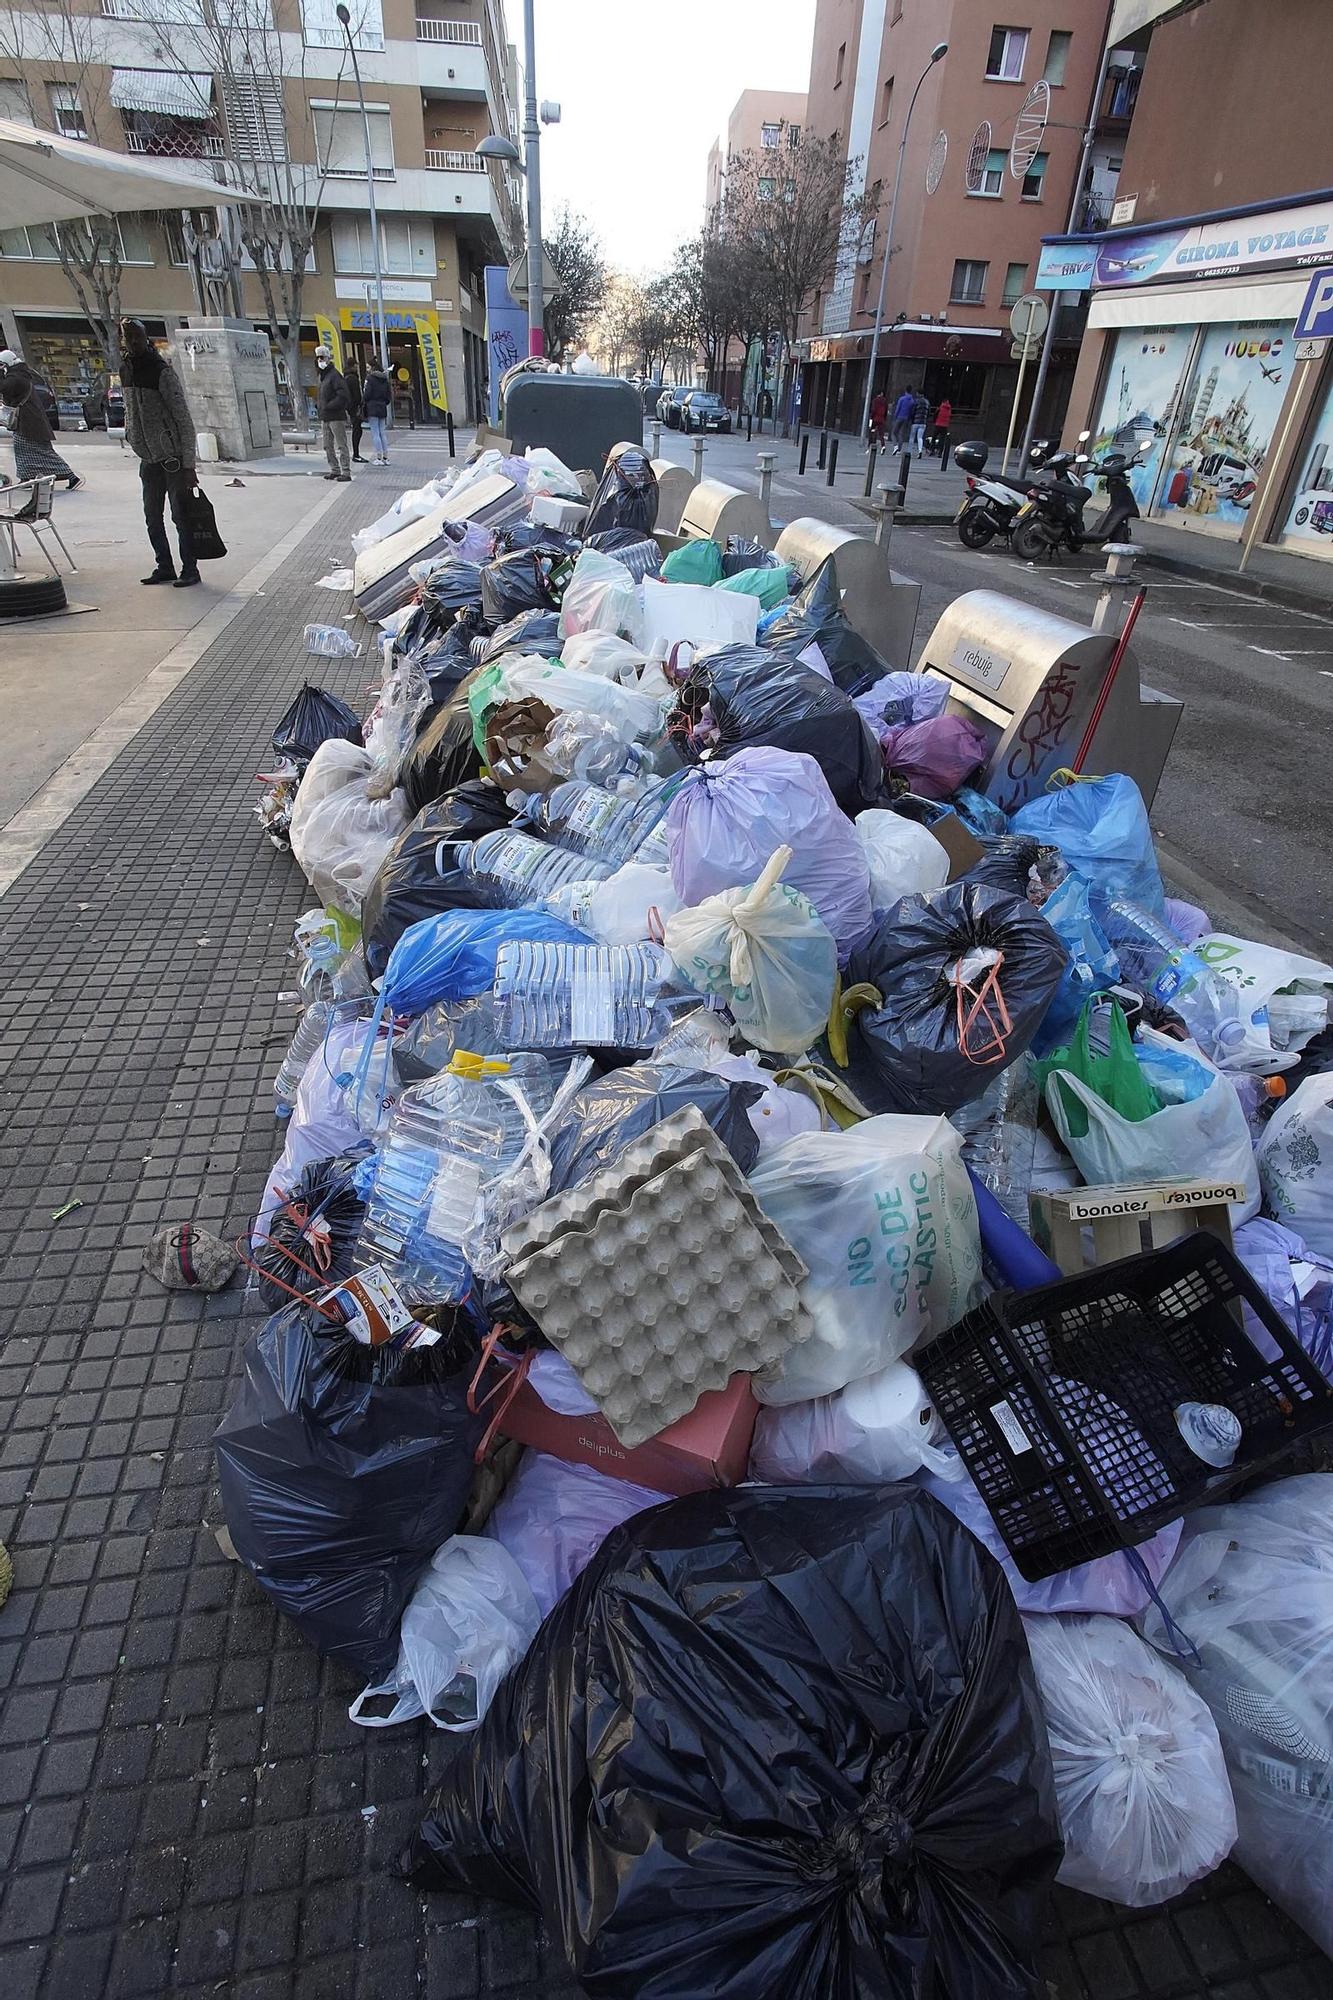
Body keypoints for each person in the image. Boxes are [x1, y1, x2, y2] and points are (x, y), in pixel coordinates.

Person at [119, 317, 201, 588]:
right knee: (152, 516)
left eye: (137, 338)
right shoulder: (126, 370)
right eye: (128, 338)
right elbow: (131, 410)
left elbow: (183, 418)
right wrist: (133, 436)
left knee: (180, 515)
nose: (132, 343)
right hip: (148, 456)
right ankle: (163, 565)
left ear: (146, 339)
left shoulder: (161, 371)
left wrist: (189, 464)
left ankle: (190, 568)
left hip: (171, 458)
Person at [0, 368, 81, 494]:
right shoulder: (20, 375)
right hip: (28, 423)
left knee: (41, 452)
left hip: (30, 423)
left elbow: (4, 388)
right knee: (24, 450)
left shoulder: (16, 378)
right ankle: (25, 478)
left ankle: (70, 476)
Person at [315, 345, 351, 481]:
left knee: (341, 444)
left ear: (328, 358)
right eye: (318, 357)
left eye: (322, 357)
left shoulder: (335, 375)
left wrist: (329, 406)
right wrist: (320, 406)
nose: (320, 360)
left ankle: (346, 471)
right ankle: (335, 469)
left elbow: (343, 395)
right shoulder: (322, 376)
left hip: (335, 416)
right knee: (327, 445)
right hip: (325, 416)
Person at [362, 361, 392, 465]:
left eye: (368, 367)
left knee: (375, 433)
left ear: (373, 368)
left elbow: (367, 394)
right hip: (382, 407)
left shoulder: (369, 379)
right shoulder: (385, 379)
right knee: (382, 433)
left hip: (372, 407)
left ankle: (378, 457)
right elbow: (389, 395)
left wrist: (365, 400)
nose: (367, 369)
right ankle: (386, 457)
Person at [346, 364, 364, 463]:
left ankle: (356, 454)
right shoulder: (353, 379)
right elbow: (357, 395)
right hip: (355, 408)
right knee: (357, 430)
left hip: (351, 407)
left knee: (357, 430)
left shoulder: (346, 378)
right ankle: (356, 454)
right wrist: (359, 404)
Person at [890, 385, 915, 454]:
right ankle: (899, 449)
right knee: (901, 434)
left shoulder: (902, 399)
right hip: (906, 418)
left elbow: (898, 408)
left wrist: (895, 416)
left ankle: (895, 446)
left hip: (899, 417)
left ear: (905, 390)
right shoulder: (912, 401)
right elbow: (911, 411)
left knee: (894, 432)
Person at [933, 396, 953, 465]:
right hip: (945, 426)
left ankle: (932, 450)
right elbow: (950, 416)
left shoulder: (940, 408)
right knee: (942, 439)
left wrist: (934, 422)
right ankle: (940, 453)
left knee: (934, 437)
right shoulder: (949, 409)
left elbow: (935, 415)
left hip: (938, 424)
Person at [910, 390, 930, 457]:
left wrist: (911, 419)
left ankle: (910, 452)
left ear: (919, 394)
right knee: (920, 437)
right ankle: (920, 451)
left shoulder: (916, 401)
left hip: (915, 421)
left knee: (912, 437)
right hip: (923, 422)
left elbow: (913, 411)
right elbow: (929, 412)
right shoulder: (927, 402)